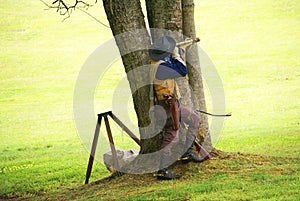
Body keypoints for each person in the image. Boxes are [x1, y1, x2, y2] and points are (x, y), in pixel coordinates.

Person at [149, 36, 205, 180]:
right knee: (172, 136)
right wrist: (177, 54)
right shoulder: (161, 67)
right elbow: (182, 70)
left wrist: (178, 52)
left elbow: (174, 65)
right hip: (167, 106)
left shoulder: (157, 63)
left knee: (194, 120)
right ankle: (162, 169)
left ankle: (187, 153)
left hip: (171, 105)